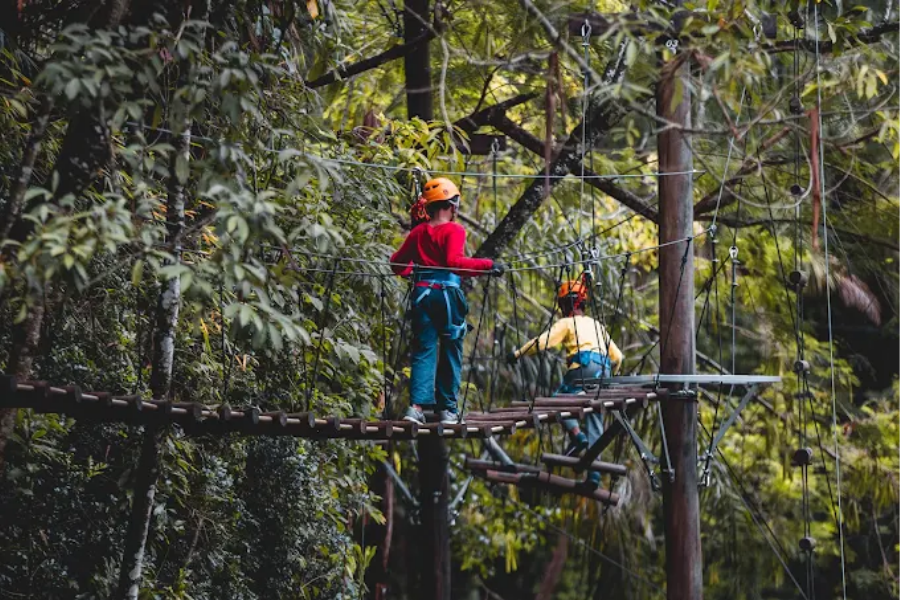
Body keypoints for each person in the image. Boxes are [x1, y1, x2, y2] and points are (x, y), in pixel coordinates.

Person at [391, 177, 505, 425]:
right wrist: (488, 265)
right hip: (446, 297)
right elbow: (455, 263)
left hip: (422, 295)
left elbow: (396, 264)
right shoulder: (455, 230)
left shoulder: (418, 232)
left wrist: (415, 271)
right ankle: (447, 410)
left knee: (424, 349)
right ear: (452, 205)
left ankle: (416, 408)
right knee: (451, 348)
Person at [507, 277, 623, 487]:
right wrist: (609, 377)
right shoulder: (597, 325)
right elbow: (619, 357)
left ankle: (578, 437)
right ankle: (594, 476)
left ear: (564, 305)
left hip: (583, 368)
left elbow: (542, 342)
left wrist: (517, 354)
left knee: (557, 401)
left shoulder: (567, 323)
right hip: (604, 371)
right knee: (594, 417)